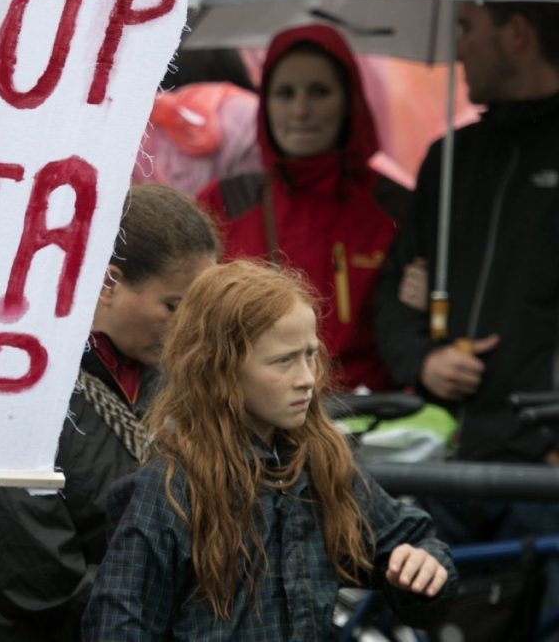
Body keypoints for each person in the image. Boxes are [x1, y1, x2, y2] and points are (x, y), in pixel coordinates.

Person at [83, 260, 456, 640]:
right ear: (220, 369)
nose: (307, 379)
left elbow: (412, 541)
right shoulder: (166, 492)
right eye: (283, 361)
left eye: (310, 354)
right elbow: (117, 628)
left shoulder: (319, 464)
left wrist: (423, 566)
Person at [0, 184, 219, 641]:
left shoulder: (182, 382)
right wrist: (175, 604)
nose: (190, 327)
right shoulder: (9, 391)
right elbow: (34, 580)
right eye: (174, 306)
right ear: (107, 283)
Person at [374, 1, 559, 623]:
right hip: (444, 465)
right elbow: (393, 291)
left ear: (517, 34)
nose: (457, 49)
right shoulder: (450, 157)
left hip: (542, 476)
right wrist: (425, 361)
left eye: (467, 28)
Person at [198, 24, 408, 392]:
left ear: (350, 101)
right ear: (265, 105)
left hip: (372, 421)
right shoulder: (224, 202)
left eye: (319, 92)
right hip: (250, 422)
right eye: (284, 93)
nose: (300, 110)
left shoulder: (395, 206)